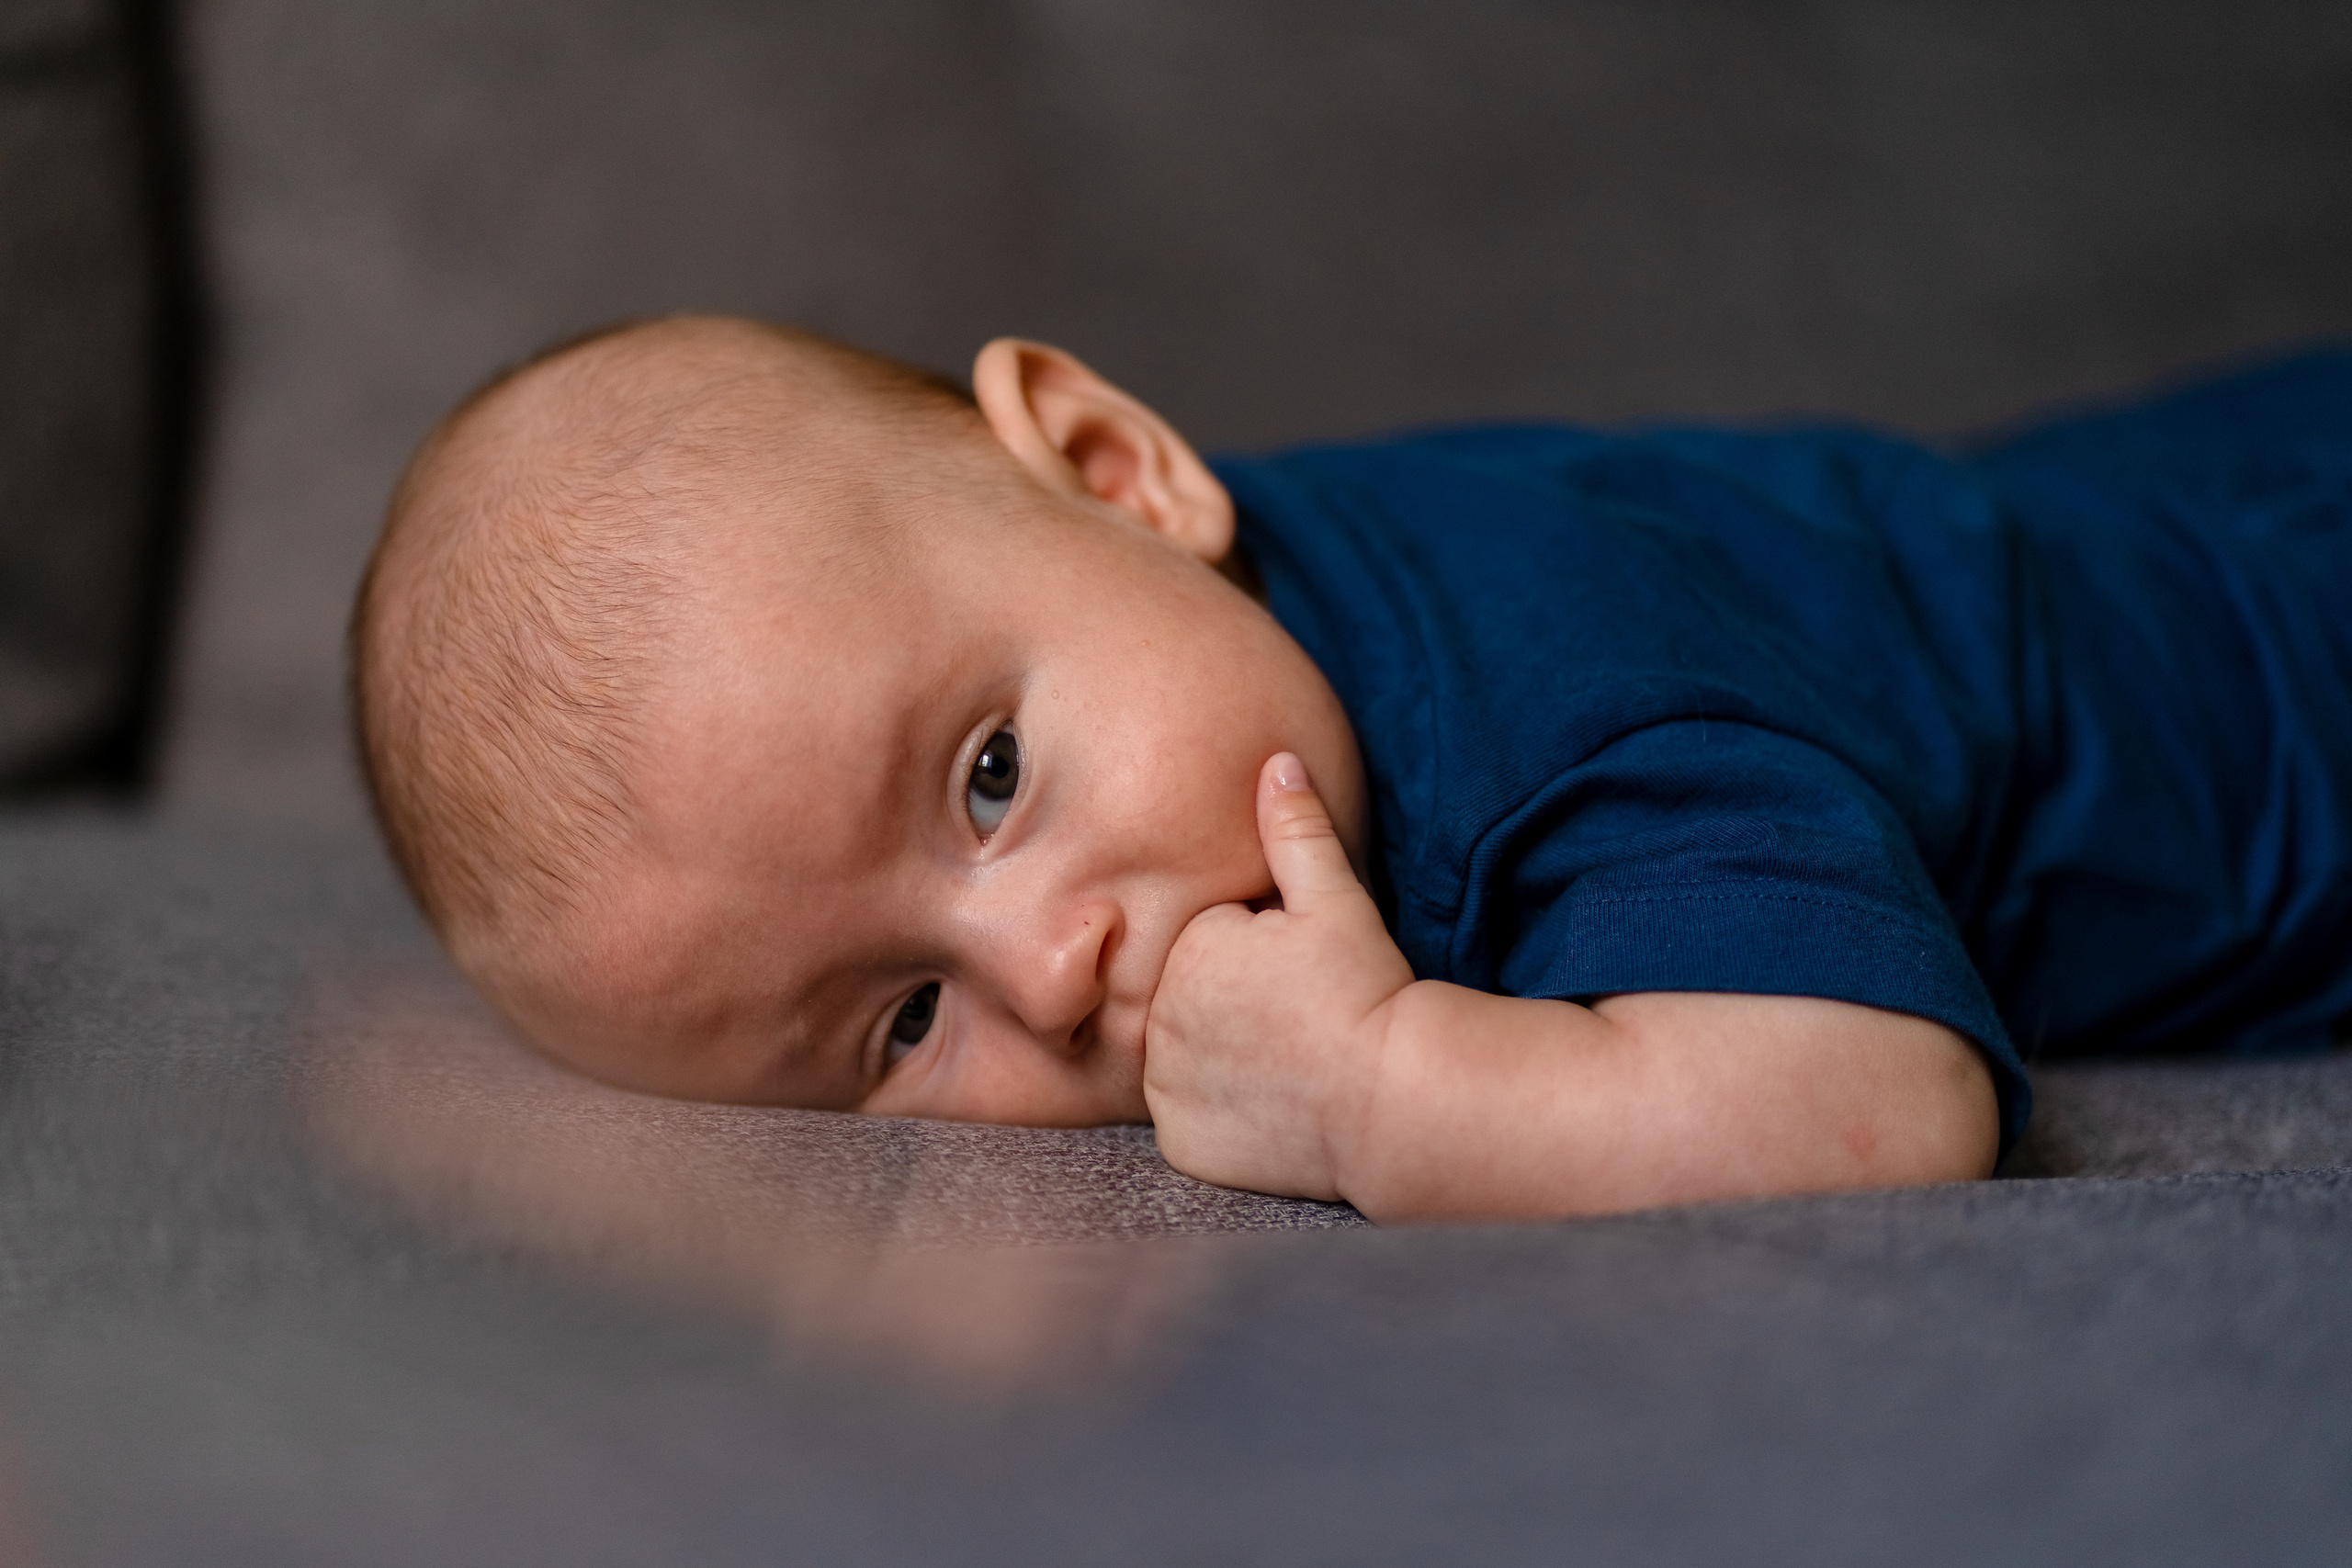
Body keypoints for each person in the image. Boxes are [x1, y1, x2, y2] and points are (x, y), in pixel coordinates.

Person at [349, 316, 2352, 1222]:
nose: (1048, 973)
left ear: (1120, 470)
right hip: (2088, 518)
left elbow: (1883, 1103)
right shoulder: (1163, 607)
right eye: (895, 1020)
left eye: (983, 779)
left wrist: (1387, 1086)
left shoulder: (1553, 733)